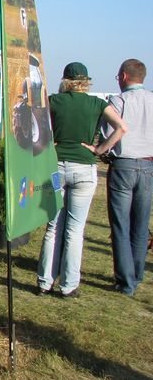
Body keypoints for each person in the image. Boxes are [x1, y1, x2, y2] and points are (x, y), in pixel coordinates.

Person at [36, 62, 127, 298]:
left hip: (56, 170)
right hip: (84, 170)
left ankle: (44, 282)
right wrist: (99, 149)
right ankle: (68, 285)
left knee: (53, 226)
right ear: (86, 81)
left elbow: (35, 125)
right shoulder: (97, 103)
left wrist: (49, 144)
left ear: (66, 80)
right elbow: (121, 127)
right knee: (75, 229)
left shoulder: (54, 101)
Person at [101, 59, 153, 297]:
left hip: (123, 164)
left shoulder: (119, 101)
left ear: (123, 77)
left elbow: (109, 132)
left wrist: (102, 150)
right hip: (147, 164)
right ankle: (137, 273)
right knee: (141, 226)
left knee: (121, 225)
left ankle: (125, 280)